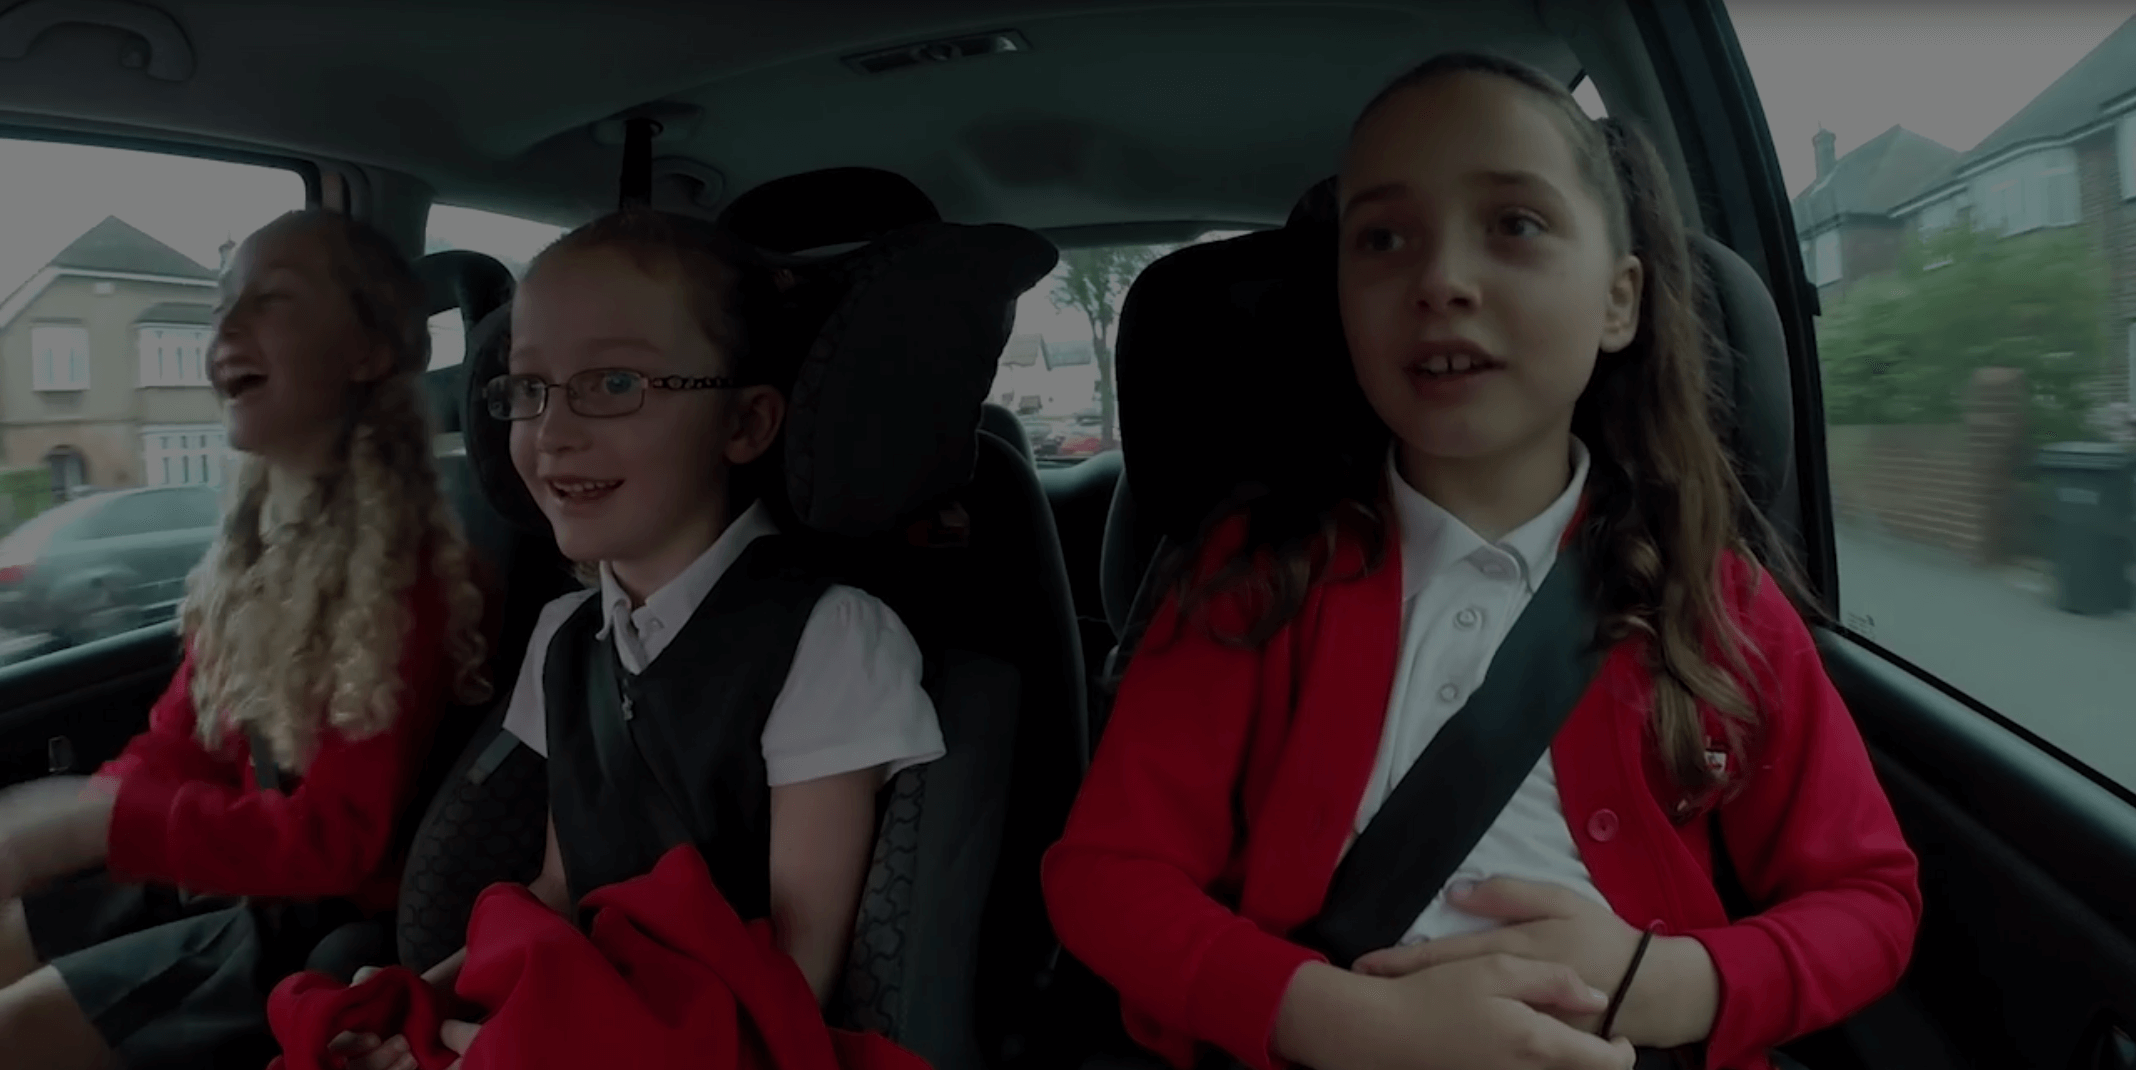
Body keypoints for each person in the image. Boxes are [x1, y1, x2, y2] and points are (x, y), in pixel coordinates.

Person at [1041, 52, 1921, 1070]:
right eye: (1382, 238)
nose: (1441, 281)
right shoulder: (1255, 577)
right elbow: (1107, 874)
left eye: (1515, 223)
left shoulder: (1712, 595)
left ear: (1618, 301)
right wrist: (1340, 1019)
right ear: (1342, 305)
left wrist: (1664, 982)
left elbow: (1871, 898)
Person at [335, 208, 944, 1070]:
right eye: (527, 389)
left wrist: (529, 1048)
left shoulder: (829, 637)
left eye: (615, 384)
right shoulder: (563, 634)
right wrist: (420, 1005)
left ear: (745, 425)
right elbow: (559, 890)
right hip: (564, 1016)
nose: (551, 433)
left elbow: (790, 982)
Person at [0, 209, 491, 1069]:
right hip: (226, 869)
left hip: (309, 918)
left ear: (366, 354)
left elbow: (337, 843)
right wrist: (85, 816)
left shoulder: (402, 577)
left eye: (272, 301)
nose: (224, 327)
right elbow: (178, 742)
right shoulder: (252, 550)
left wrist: (97, 829)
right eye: (224, 303)